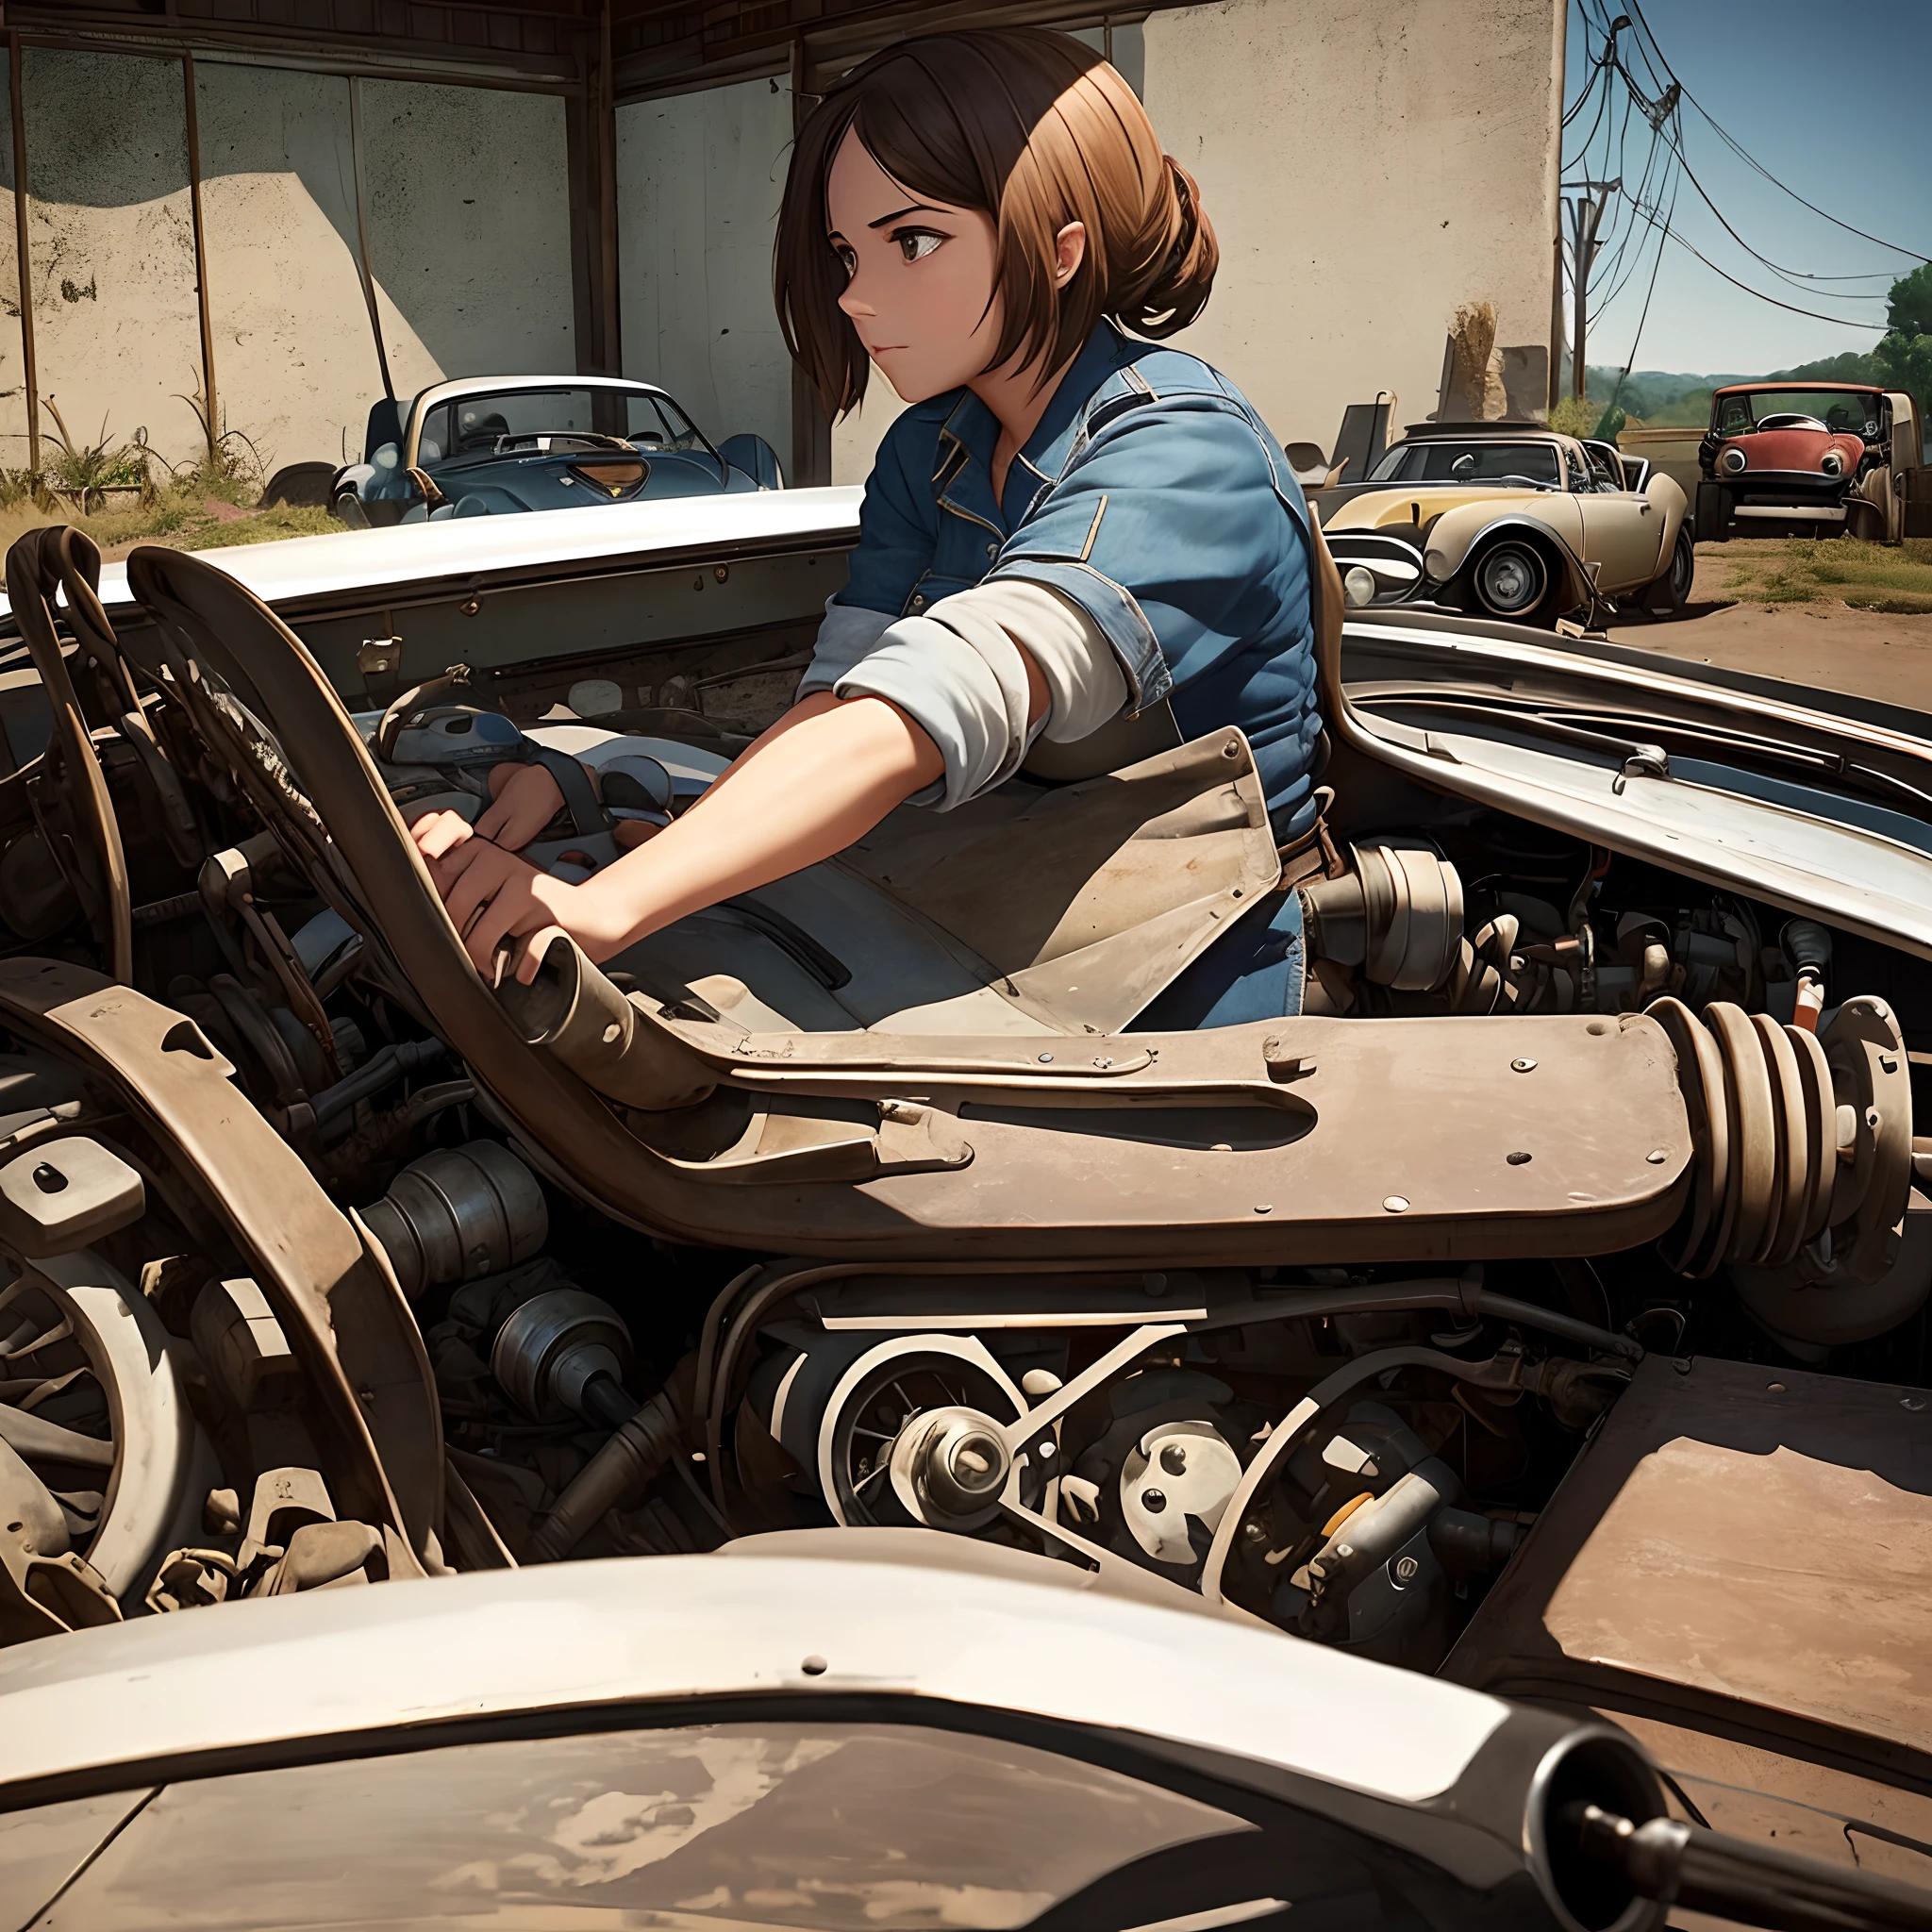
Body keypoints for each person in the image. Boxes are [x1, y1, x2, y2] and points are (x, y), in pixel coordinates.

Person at [409, 27, 1329, 1026]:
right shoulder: (927, 451)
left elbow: (943, 693)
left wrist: (605, 906)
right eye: (847, 251)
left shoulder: (1185, 454)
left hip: (1179, 964)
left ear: (1059, 251)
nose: (853, 293)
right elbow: (844, 705)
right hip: (967, 896)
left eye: (914, 240)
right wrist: (606, 793)